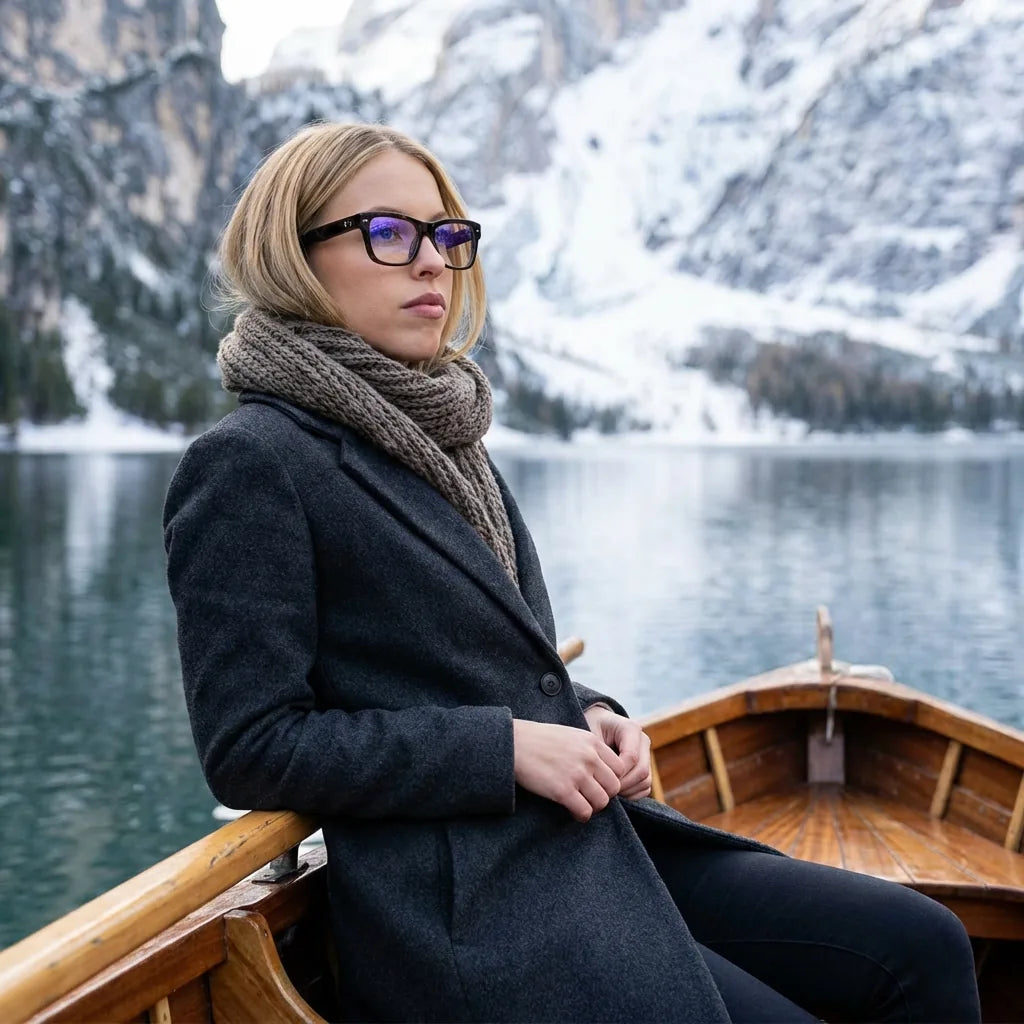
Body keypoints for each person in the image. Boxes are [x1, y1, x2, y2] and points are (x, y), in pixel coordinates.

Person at [163, 121, 981, 1023]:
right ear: (294, 255)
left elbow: (482, 660)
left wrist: (587, 713)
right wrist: (506, 750)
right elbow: (251, 746)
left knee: (924, 943)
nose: (432, 261)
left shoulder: (441, 435)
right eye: (388, 233)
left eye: (446, 234)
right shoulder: (252, 463)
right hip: (476, 906)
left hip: (591, 839)